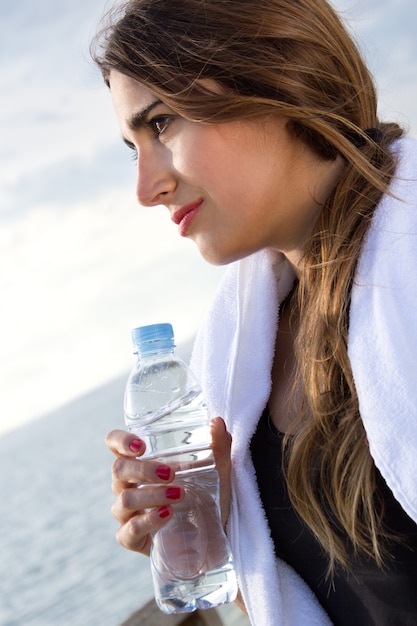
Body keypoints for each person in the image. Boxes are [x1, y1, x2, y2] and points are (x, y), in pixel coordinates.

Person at [91, 1, 417, 624]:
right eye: (132, 147)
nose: (145, 187)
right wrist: (213, 528)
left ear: (274, 75)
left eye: (160, 123)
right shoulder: (243, 358)